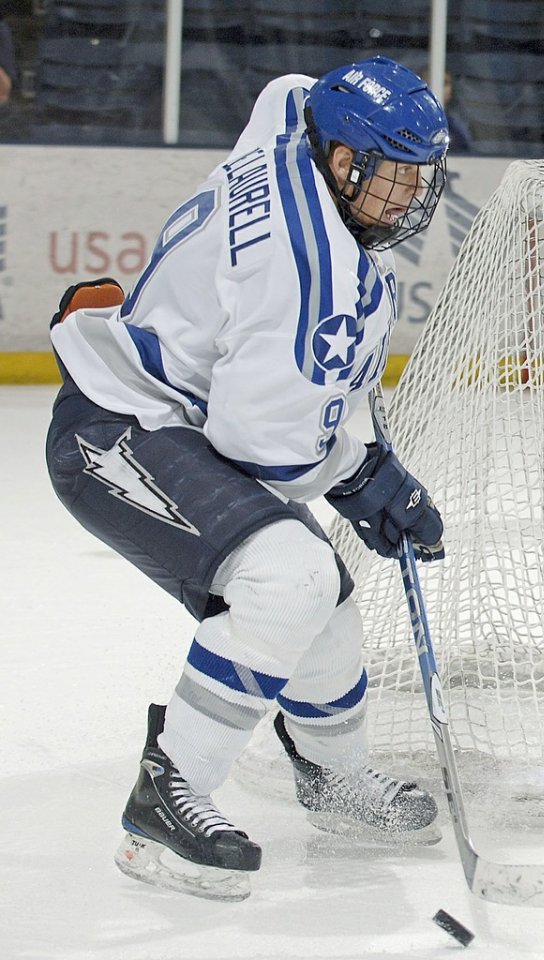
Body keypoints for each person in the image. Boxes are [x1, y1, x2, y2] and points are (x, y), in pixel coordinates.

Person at [45, 56, 450, 901]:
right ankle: (167, 796)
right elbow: (271, 450)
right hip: (116, 432)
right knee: (289, 579)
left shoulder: (294, 125)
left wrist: (367, 464)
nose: (410, 201)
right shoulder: (309, 272)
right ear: (343, 163)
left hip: (167, 415)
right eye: (394, 181)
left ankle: (335, 781)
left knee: (326, 597)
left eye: (420, 178)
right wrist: (364, 475)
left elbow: (291, 88)